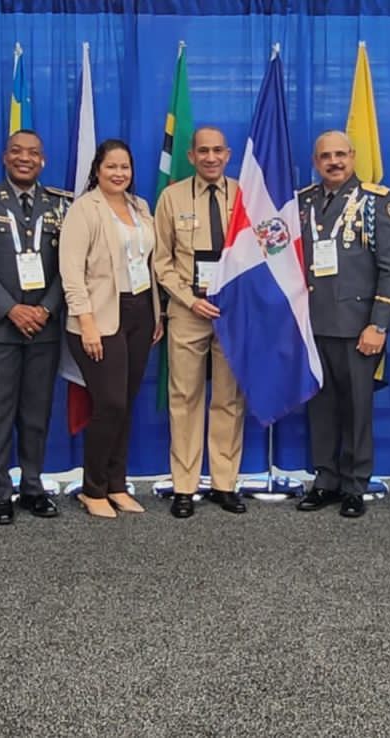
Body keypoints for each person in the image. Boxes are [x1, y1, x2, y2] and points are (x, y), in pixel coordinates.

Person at [0, 129, 74, 525]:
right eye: (18, 152)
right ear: (5, 157)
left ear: (43, 161)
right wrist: (11, 310)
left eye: (34, 153)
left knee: (37, 412)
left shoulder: (62, 205)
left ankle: (33, 487)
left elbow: (71, 266)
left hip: (45, 326)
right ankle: (0, 491)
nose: (26, 158)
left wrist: (45, 309)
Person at [294, 131, 390, 519]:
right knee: (320, 408)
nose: (334, 161)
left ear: (354, 157)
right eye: (326, 155)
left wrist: (379, 325)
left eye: (341, 154)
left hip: (359, 327)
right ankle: (326, 479)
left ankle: (356, 485)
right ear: (315, 160)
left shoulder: (377, 202)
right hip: (314, 324)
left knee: (358, 408)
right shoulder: (303, 201)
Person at [60, 139, 164, 519]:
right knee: (110, 404)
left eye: (125, 167)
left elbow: (149, 265)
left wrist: (157, 315)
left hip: (139, 313)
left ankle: (117, 484)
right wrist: (86, 323)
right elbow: (71, 273)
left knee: (127, 404)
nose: (119, 173)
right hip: (99, 317)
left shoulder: (141, 207)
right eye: (111, 167)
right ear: (97, 170)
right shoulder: (84, 210)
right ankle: (93, 489)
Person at [152, 126, 248, 519]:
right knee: (185, 398)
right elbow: (161, 261)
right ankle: (185, 486)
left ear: (228, 155)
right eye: (202, 151)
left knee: (229, 399)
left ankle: (224, 483)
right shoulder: (171, 197)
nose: (211, 157)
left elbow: (260, 253)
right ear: (190, 156)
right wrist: (190, 300)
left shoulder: (246, 195)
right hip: (188, 312)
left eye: (218, 151)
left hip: (233, 314)